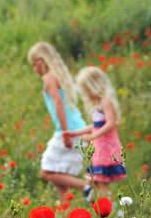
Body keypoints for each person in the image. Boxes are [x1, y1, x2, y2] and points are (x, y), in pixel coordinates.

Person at [27, 42, 93, 204]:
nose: (35, 68)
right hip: (78, 128)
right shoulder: (59, 76)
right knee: (59, 174)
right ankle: (65, 211)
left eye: (37, 62)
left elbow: (58, 103)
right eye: (33, 64)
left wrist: (65, 133)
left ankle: (85, 186)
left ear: (45, 60)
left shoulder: (49, 78)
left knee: (47, 171)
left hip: (69, 130)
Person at [64, 67, 126, 198]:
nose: (86, 94)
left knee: (101, 181)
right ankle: (100, 202)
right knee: (95, 180)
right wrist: (75, 133)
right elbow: (95, 126)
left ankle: (107, 207)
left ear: (93, 86)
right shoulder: (98, 104)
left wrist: (93, 136)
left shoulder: (106, 101)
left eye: (86, 90)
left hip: (107, 148)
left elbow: (111, 123)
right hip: (99, 148)